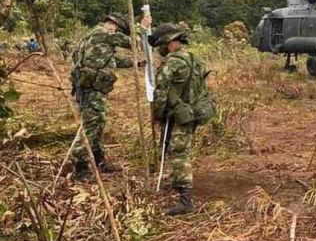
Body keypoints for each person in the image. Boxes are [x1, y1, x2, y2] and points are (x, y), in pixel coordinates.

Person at [147, 22, 214, 216]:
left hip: (179, 115)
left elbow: (160, 93)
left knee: (178, 152)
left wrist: (157, 115)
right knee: (180, 148)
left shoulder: (171, 63)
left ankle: (186, 199)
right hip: (194, 112)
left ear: (168, 43)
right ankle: (177, 181)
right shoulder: (196, 59)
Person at [70, 14, 138, 179]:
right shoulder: (102, 32)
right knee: (91, 125)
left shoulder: (96, 38)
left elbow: (111, 59)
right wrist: (142, 27)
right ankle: (80, 167)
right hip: (91, 89)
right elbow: (133, 43)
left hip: (94, 88)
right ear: (114, 26)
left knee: (98, 123)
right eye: (119, 30)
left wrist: (135, 63)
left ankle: (99, 160)